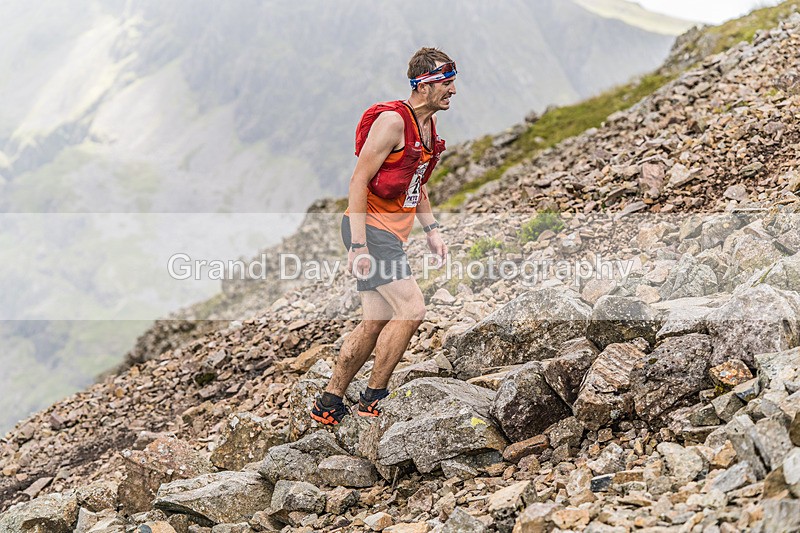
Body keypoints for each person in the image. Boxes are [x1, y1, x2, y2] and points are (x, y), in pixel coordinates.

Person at [310, 47, 456, 425]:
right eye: (446, 82)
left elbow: (416, 184)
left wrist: (433, 231)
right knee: (412, 309)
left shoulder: (428, 126)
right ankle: (374, 399)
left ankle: (329, 403)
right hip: (370, 230)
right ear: (423, 86)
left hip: (388, 233)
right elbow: (358, 180)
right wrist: (358, 245)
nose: (453, 90)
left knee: (375, 321)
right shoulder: (393, 122)